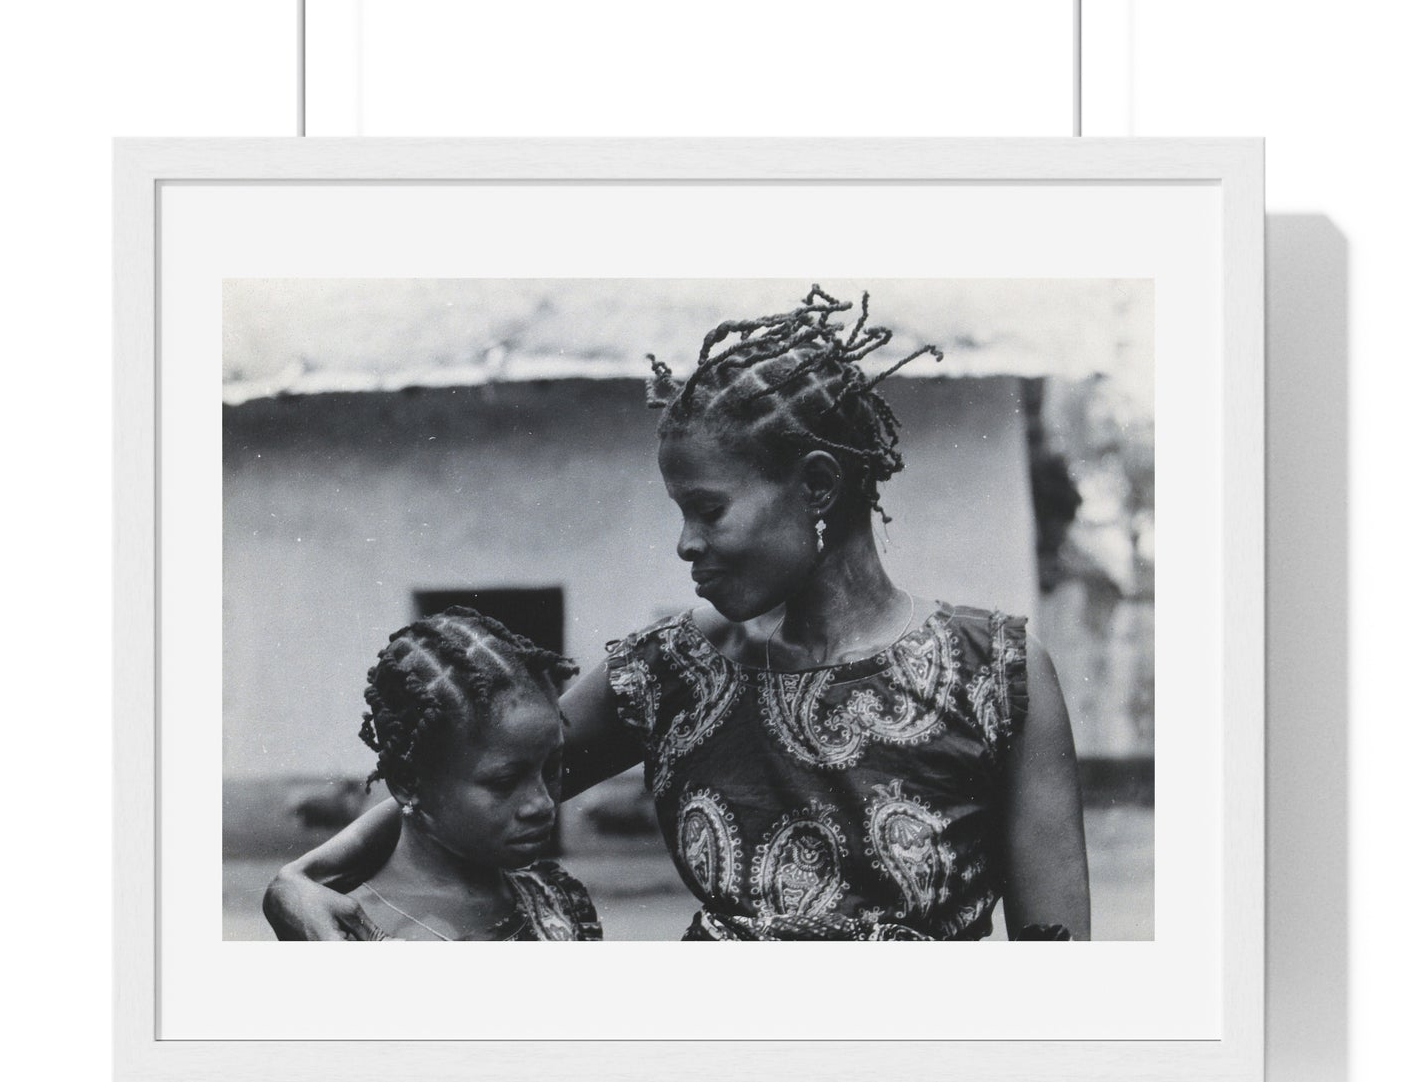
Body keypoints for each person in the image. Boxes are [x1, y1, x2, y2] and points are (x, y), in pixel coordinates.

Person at [265, 287, 1090, 941]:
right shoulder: (669, 672)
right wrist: (299, 881)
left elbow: (1055, 971)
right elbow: (463, 772)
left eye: (706, 508)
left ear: (815, 486)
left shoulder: (997, 678)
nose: (685, 544)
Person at [265, 608, 600, 941]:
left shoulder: (559, 899)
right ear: (407, 783)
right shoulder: (339, 930)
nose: (542, 803)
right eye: (505, 782)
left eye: (553, 768)